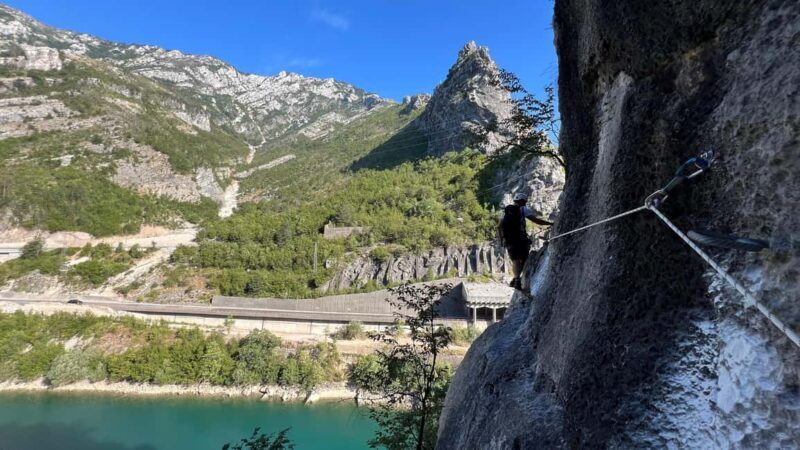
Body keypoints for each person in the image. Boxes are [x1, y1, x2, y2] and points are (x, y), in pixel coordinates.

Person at [499, 192, 553, 289]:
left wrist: (502, 239)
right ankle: (518, 279)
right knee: (524, 259)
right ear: (523, 202)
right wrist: (550, 224)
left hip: (509, 240)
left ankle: (516, 279)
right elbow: (536, 220)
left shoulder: (506, 212)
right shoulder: (523, 210)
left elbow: (499, 226)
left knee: (515, 260)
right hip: (521, 239)